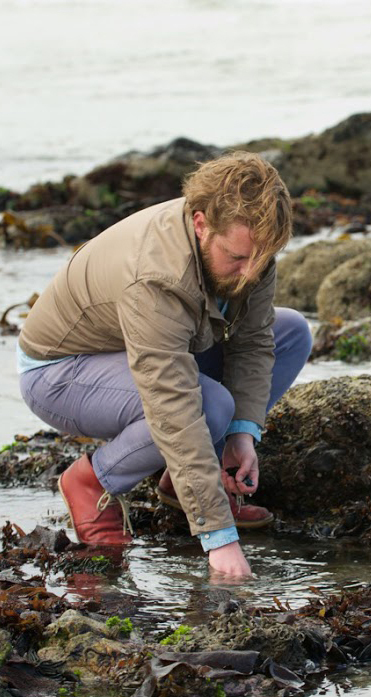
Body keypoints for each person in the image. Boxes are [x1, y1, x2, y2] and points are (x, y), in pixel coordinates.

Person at [16, 152, 312, 576]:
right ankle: (91, 482)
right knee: (206, 407)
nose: (250, 274)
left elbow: (252, 343)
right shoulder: (156, 276)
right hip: (60, 371)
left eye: (260, 260)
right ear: (200, 224)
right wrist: (220, 538)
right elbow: (172, 404)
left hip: (147, 348)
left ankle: (183, 479)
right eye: (237, 258)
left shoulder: (251, 246)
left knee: (291, 332)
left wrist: (242, 434)